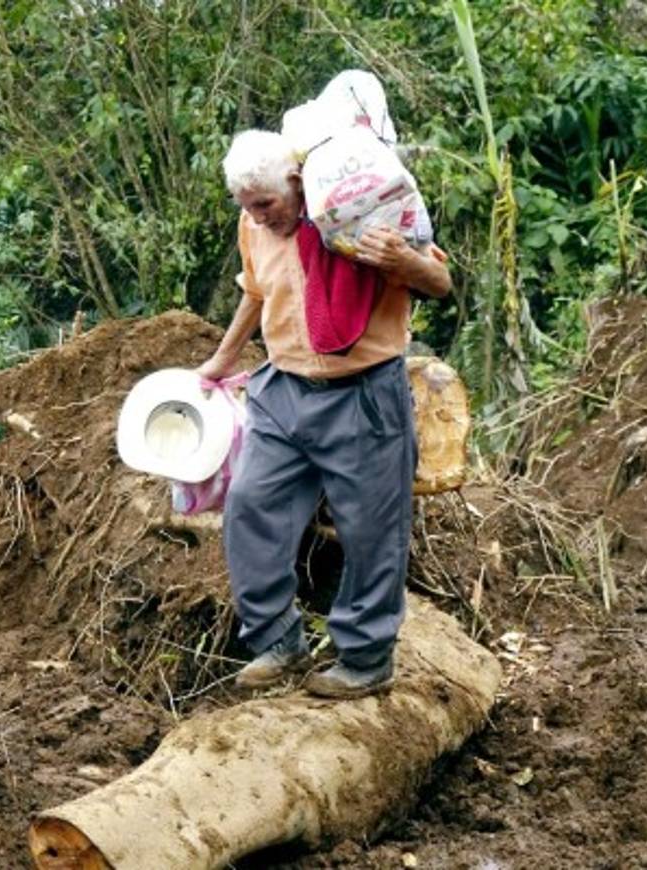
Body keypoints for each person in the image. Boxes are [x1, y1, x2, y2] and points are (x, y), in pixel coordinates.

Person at [197, 129, 452, 699]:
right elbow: (256, 290)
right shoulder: (254, 223)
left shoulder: (357, 210)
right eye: (246, 208)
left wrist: (403, 259)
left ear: (296, 182)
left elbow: (441, 281)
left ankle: (365, 658)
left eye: (265, 205)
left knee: (372, 531)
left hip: (361, 392)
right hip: (282, 387)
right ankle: (279, 641)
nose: (257, 218)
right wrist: (221, 359)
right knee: (249, 505)